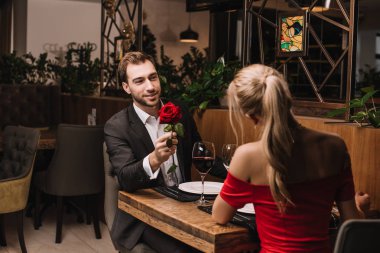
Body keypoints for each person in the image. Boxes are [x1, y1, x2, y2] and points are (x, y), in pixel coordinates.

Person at [212, 64, 365, 253]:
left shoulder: (247, 156)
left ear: (250, 116)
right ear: (287, 98)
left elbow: (219, 216)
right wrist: (360, 206)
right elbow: (353, 223)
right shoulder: (336, 146)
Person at [104, 51, 225, 253]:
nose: (150, 87)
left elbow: (201, 156)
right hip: (143, 218)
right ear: (127, 87)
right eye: (139, 81)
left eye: (153, 77)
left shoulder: (180, 111)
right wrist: (154, 160)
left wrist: (240, 175)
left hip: (185, 207)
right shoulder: (117, 126)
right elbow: (125, 178)